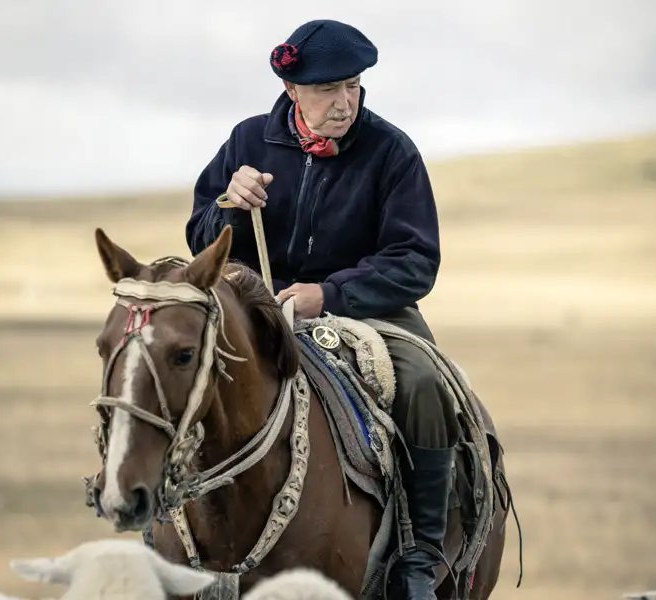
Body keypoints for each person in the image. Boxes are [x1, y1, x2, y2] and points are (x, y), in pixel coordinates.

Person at [185, 19, 460, 599]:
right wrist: (229, 207)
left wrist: (328, 295)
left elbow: (416, 260)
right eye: (327, 91)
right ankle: (172, 517)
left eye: (353, 86)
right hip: (260, 305)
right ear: (293, 92)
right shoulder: (247, 140)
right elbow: (199, 235)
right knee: (181, 361)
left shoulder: (392, 151)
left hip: (368, 311)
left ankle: (419, 554)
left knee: (424, 382)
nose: (344, 103)